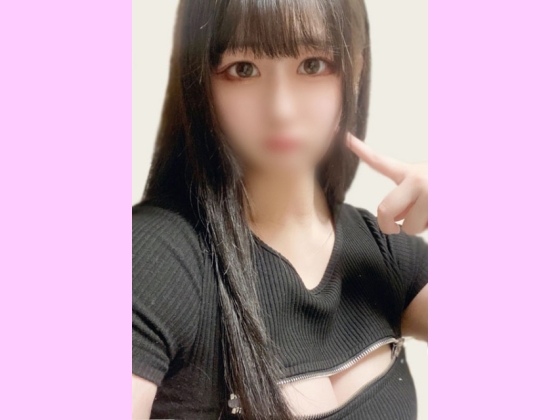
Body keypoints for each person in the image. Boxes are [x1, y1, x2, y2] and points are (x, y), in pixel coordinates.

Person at [132, 0, 428, 419]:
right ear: (200, 82)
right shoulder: (154, 260)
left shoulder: (383, 248)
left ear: (355, 71)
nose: (281, 109)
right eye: (243, 69)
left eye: (312, 65)